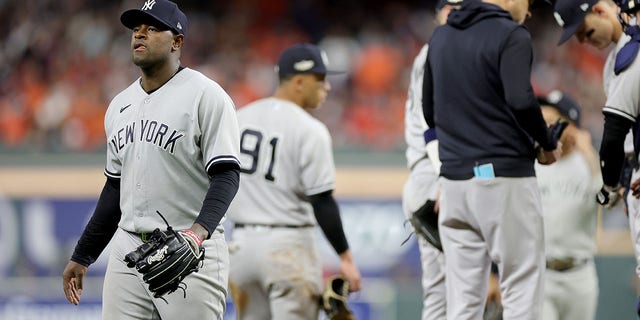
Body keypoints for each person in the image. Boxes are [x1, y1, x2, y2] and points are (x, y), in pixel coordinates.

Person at [61, 0, 241, 318]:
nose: (140, 35)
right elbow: (115, 188)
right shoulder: (119, 105)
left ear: (177, 41)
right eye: (136, 29)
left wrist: (197, 234)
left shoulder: (206, 95)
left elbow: (226, 175)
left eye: (153, 28)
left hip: (189, 248)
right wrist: (84, 254)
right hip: (128, 247)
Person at [421, 0, 562, 319]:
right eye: (528, 2)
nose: (528, 13)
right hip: (503, 179)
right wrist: (545, 139)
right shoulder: (511, 33)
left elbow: (429, 112)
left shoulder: (441, 37)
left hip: (455, 184)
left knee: (463, 301)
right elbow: (520, 100)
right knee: (521, 289)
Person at [226, 44, 362, 320]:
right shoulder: (310, 129)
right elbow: (322, 201)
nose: (327, 87)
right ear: (299, 82)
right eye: (320, 80)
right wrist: (345, 257)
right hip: (287, 249)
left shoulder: (238, 119)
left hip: (240, 249)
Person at [402, 1, 500, 319]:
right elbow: (441, 120)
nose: (456, 12)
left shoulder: (441, 48)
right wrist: (448, 177)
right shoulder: (442, 49)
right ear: (440, 12)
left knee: (443, 294)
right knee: (461, 291)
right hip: (438, 174)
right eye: (451, 6)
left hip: (431, 174)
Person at [553, 0, 640, 314]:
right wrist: (618, 180)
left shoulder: (634, 51)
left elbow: (617, 136)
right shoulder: (612, 63)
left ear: (601, 11)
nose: (582, 42)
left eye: (584, 31)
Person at [535, 90, 601, 320]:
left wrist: (590, 157)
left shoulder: (588, 163)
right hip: (542, 274)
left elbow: (607, 199)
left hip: (579, 274)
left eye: (552, 121)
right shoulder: (532, 162)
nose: (545, 126)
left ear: (571, 125)